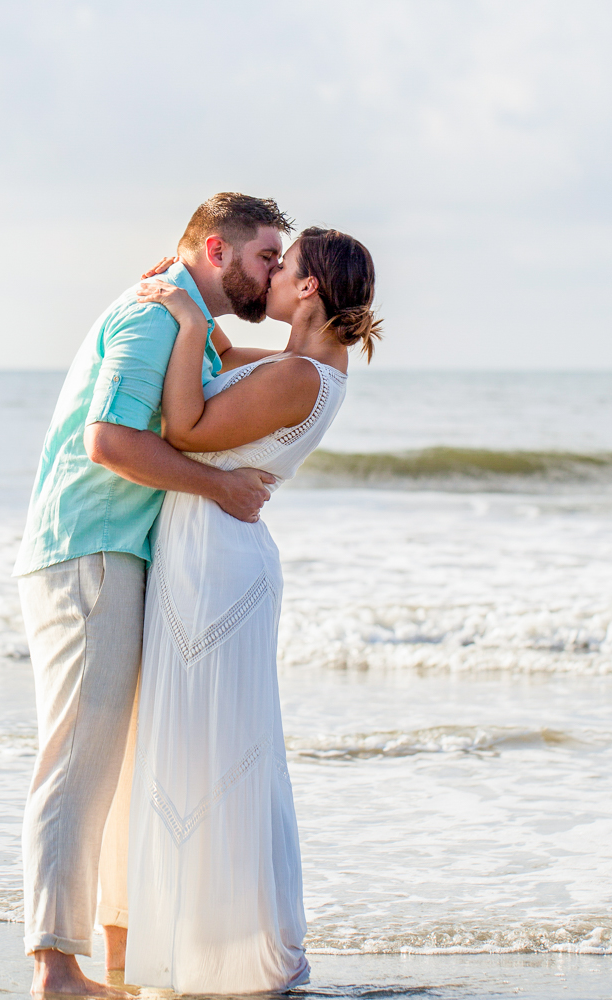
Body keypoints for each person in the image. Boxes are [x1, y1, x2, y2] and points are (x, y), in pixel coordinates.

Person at [13, 193, 294, 999]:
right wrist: (220, 488)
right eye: (265, 257)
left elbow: (234, 373)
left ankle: (107, 959)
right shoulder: (152, 321)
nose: (273, 271)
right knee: (78, 762)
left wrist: (315, 349)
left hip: (117, 553)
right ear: (216, 251)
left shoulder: (187, 324)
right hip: (89, 550)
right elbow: (109, 442)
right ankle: (55, 969)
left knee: (123, 766)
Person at [124, 227, 381, 994]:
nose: (266, 276)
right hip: (211, 556)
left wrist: (193, 321)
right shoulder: (300, 365)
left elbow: (186, 428)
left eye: (281, 265)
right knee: (211, 751)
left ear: (307, 289)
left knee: (218, 756)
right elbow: (226, 367)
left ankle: (235, 957)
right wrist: (190, 308)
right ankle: (214, 947)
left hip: (217, 566)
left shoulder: (303, 375)